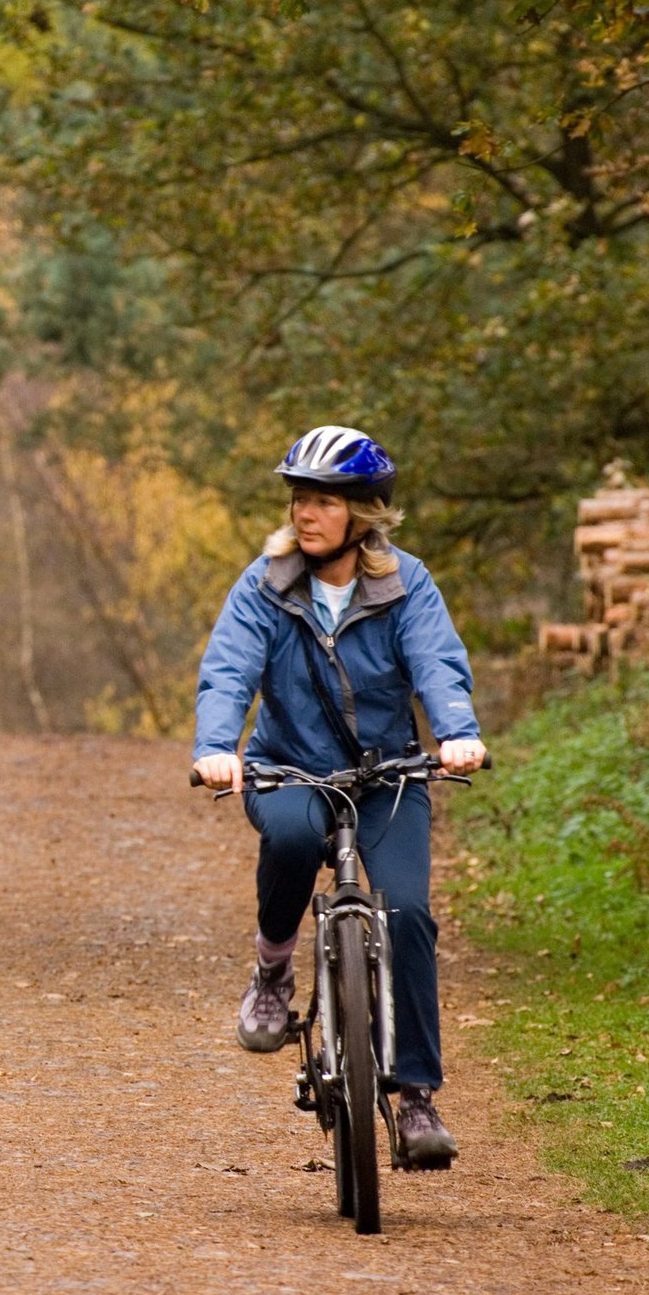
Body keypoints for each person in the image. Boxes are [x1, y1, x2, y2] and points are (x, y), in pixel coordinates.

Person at [189, 425, 487, 1167]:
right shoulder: (266, 581)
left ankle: (415, 1097)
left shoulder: (405, 583)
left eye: (321, 502)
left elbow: (437, 664)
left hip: (388, 778)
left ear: (362, 513)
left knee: (409, 914)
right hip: (290, 766)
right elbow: (230, 668)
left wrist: (457, 733)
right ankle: (272, 970)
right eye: (298, 500)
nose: (304, 515)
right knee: (289, 837)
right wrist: (215, 748)